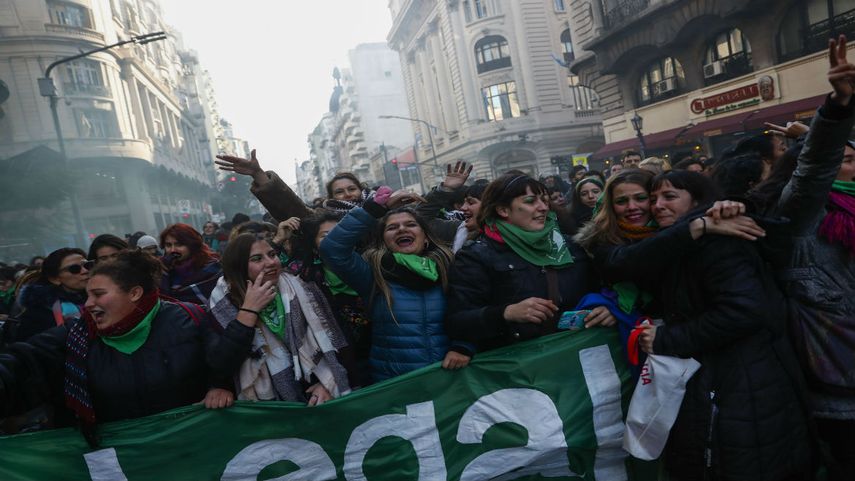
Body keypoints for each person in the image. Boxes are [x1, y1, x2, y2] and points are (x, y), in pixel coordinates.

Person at [633, 170, 810, 481]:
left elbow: (742, 311)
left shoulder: (716, 243)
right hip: (731, 379)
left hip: (740, 383)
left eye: (669, 197)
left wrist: (667, 339)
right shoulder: (687, 241)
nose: (657, 205)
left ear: (699, 201)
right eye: (653, 199)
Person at [0, 250, 253, 445]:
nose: (88, 304)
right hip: (122, 461)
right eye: (87, 295)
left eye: (98, 294)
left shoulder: (190, 320)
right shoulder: (75, 337)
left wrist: (219, 386)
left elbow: (224, 363)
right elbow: (23, 365)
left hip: (191, 450)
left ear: (134, 293)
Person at [751, 36, 855, 481]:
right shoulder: (803, 213)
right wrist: (836, 108)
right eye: (845, 159)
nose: (850, 165)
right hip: (836, 364)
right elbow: (815, 165)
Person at [445, 174, 613, 354]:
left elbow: (600, 289)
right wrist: (506, 313)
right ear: (503, 210)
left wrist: (607, 309)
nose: (543, 208)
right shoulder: (476, 256)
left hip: (578, 355)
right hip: (519, 368)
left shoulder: (571, 246)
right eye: (531, 201)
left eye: (545, 201)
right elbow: (457, 321)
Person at [320, 188, 472, 382]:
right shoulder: (372, 274)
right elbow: (332, 248)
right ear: (384, 240)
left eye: (410, 224)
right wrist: (374, 209)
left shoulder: (449, 266)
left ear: (425, 237)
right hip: (396, 386)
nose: (402, 229)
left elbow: (471, 313)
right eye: (392, 228)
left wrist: (464, 347)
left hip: (450, 380)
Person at [210, 233, 354, 403]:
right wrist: (249, 310)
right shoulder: (223, 305)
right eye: (257, 259)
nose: (271, 262)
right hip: (268, 410)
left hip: (316, 400)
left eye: (272, 255)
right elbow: (220, 367)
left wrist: (327, 383)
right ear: (238, 267)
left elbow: (339, 343)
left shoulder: (303, 288)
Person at [7, 248, 91, 343]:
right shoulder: (38, 313)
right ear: (54, 279)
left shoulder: (102, 299)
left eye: (87, 265)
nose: (85, 271)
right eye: (74, 269)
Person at [159, 224, 222, 304]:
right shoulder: (163, 270)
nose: (172, 250)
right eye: (168, 245)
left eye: (179, 245)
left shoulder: (212, 269)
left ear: (191, 245)